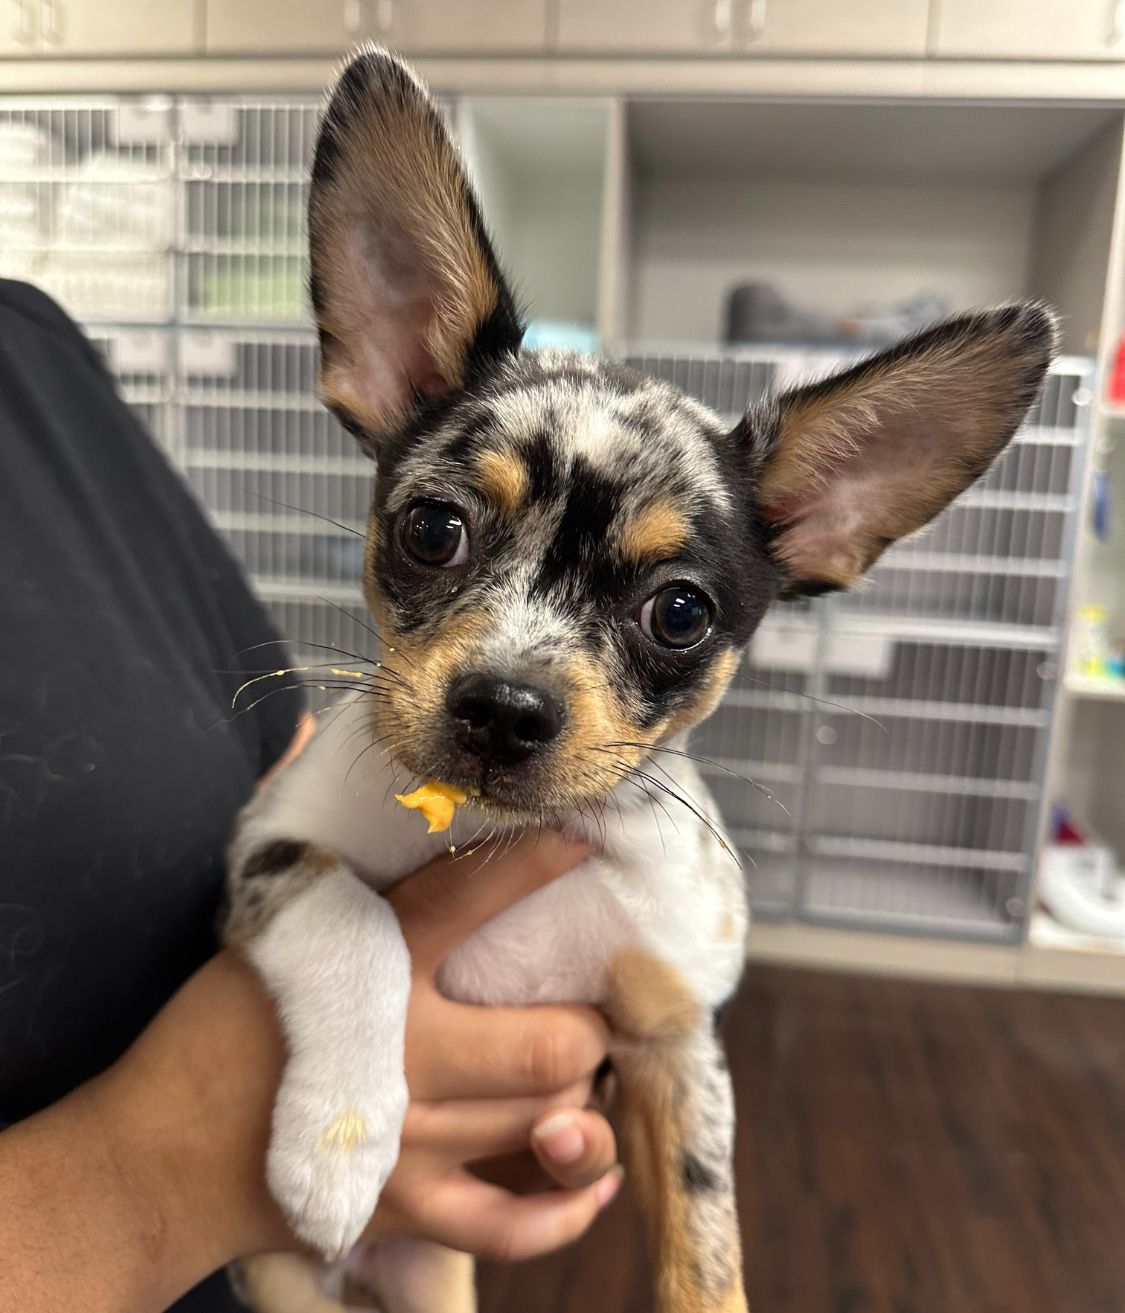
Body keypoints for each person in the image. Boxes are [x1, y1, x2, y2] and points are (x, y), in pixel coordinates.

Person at [0, 280, 619, 1313]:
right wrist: (143, 1177)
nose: (516, 681)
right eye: (440, 535)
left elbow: (282, 761)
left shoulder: (35, 356)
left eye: (674, 613)